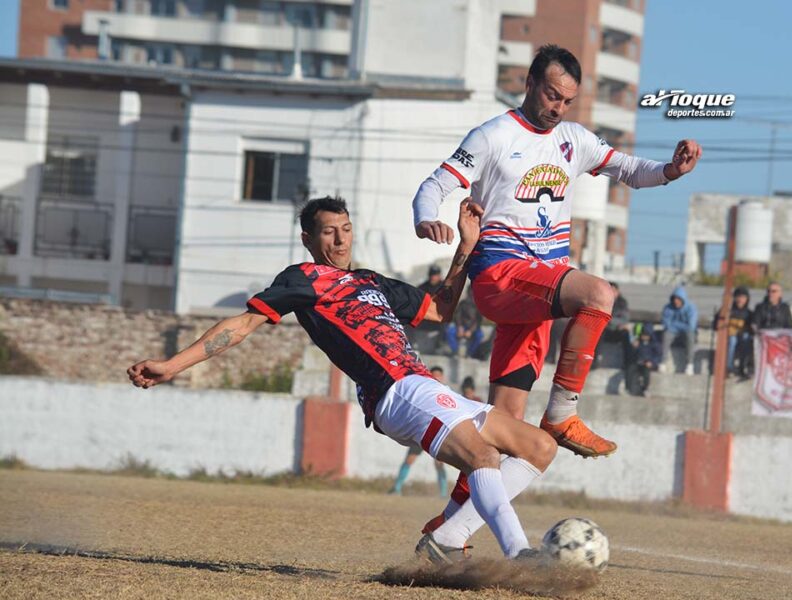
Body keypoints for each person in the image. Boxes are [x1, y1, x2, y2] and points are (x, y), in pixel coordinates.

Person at [126, 196, 556, 563]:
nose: (340, 239)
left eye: (346, 229)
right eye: (329, 232)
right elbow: (241, 326)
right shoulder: (303, 278)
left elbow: (440, 310)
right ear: (308, 240)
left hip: (424, 384)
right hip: (396, 391)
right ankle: (521, 557)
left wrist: (467, 245)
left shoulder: (371, 280)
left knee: (539, 446)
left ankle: (447, 539)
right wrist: (172, 365)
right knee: (483, 457)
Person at [411, 44, 701, 461]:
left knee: (509, 441)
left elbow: (630, 170)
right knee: (600, 294)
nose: (558, 108)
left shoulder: (574, 139)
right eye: (551, 95)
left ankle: (447, 529)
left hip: (537, 295)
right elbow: (434, 186)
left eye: (568, 101)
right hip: (502, 276)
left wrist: (672, 170)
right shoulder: (493, 135)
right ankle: (563, 414)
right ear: (529, 84)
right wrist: (426, 219)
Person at [390, 365, 450, 497]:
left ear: (442, 377)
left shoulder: (446, 392)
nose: (436, 378)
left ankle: (444, 494)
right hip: (420, 431)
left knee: (439, 464)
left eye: (438, 375)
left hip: (437, 433)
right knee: (409, 460)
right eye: (434, 375)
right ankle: (397, 488)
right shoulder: (425, 390)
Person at [715, 286, 752, 377]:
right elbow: (716, 324)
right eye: (738, 297)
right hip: (730, 339)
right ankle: (729, 367)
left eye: (743, 297)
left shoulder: (749, 313)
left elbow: (752, 328)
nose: (740, 300)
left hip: (743, 339)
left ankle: (742, 367)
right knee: (732, 340)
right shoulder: (727, 311)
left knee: (746, 337)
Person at [661, 285, 698, 374]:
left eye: (678, 299)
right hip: (673, 333)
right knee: (666, 334)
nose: (675, 301)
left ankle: (690, 364)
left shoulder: (691, 308)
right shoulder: (668, 308)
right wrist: (679, 326)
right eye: (674, 299)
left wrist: (676, 325)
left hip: (686, 333)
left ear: (683, 299)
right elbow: (666, 323)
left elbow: (691, 325)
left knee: (691, 335)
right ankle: (662, 362)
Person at [625, 325, 661, 396]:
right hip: (637, 362)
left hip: (647, 363)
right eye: (643, 335)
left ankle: (645, 389)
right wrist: (634, 347)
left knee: (646, 372)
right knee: (630, 369)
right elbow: (631, 355)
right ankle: (627, 389)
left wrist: (652, 362)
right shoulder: (638, 343)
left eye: (646, 335)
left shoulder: (653, 344)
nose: (644, 337)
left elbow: (658, 355)